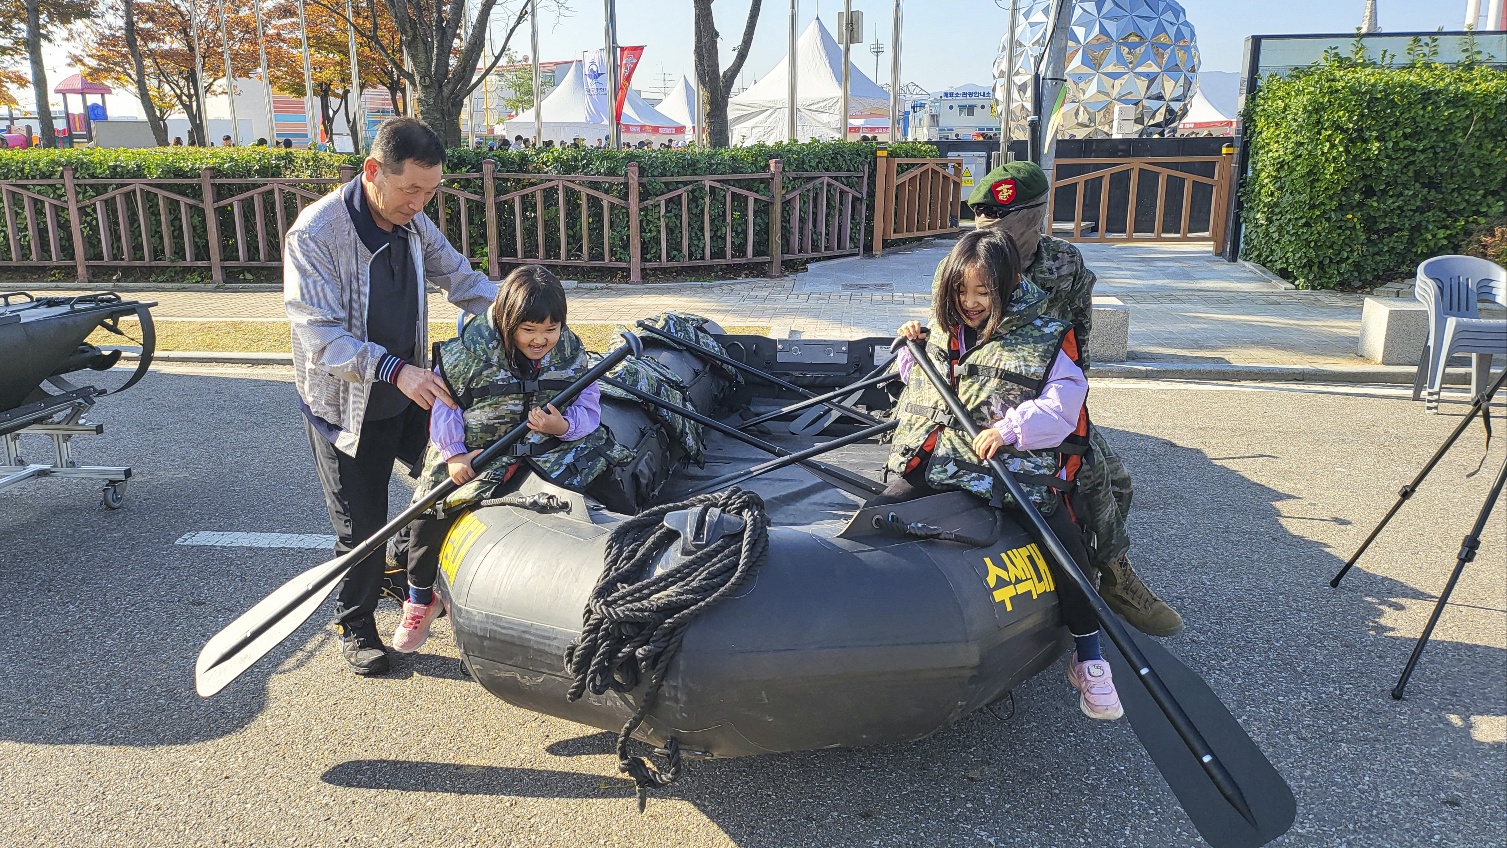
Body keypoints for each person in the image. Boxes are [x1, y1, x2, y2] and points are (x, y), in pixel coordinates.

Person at [284, 117, 499, 675]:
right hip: (346, 406)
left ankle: (406, 564)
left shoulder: (414, 223)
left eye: (431, 191)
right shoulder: (316, 233)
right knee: (362, 528)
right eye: (411, 190)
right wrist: (392, 368)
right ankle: (353, 625)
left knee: (459, 475)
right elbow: (319, 334)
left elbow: (464, 281)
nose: (420, 203)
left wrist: (526, 311)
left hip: (412, 388)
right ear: (373, 171)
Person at [880, 229, 1121, 721]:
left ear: (1009, 283)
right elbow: (914, 381)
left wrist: (1011, 430)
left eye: (982, 292)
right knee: (882, 510)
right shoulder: (944, 327)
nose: (969, 303)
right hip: (947, 460)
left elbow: (1064, 403)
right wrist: (912, 348)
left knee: (1065, 547)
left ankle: (1088, 654)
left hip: (1014, 468)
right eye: (960, 291)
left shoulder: (1048, 336)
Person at [960, 162, 1183, 637]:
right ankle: (1088, 569)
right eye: (983, 215)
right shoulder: (970, 261)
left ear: (1036, 215)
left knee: (1114, 479)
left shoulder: (1064, 263)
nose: (992, 226)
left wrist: (1067, 398)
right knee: (1076, 479)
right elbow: (949, 329)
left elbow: (1076, 336)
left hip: (1047, 397)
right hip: (984, 401)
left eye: (1006, 216)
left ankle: (1112, 572)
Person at [390, 265, 608, 651]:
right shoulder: (464, 357)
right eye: (529, 330)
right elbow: (445, 410)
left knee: (609, 480)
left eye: (550, 329)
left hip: (549, 452)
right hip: (476, 455)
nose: (540, 340)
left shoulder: (572, 356)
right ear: (508, 322)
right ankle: (421, 598)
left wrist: (563, 427)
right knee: (429, 513)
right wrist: (455, 456)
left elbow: (589, 406)